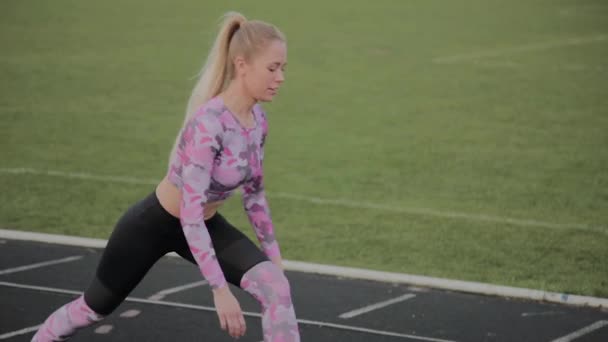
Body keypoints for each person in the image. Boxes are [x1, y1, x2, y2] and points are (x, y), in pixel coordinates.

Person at [32, 11, 300, 342]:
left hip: (206, 225)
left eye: (283, 69)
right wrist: (219, 290)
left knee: (277, 289)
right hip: (156, 224)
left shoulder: (257, 121)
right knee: (95, 307)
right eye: (273, 68)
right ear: (242, 65)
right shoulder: (209, 124)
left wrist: (274, 260)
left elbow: (255, 195)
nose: (281, 77)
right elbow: (189, 213)